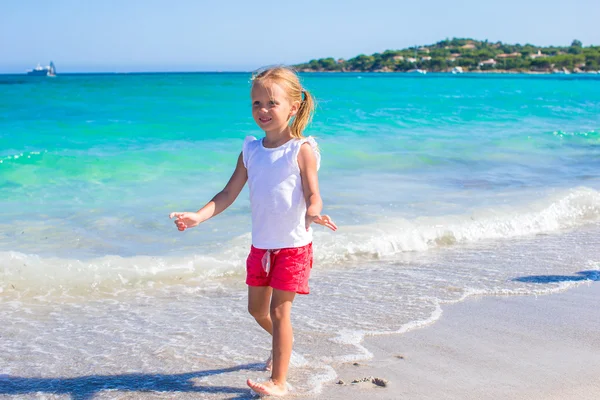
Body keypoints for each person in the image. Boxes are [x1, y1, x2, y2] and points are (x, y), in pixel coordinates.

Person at [169, 66, 337, 397]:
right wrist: (197, 217)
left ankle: (279, 380)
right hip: (261, 247)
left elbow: (313, 193)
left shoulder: (300, 149)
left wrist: (315, 213)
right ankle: (283, 347)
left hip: (292, 246)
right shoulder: (251, 149)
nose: (262, 110)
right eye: (256, 103)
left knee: (278, 310)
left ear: (293, 106)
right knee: (257, 311)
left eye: (271, 103)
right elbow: (228, 193)